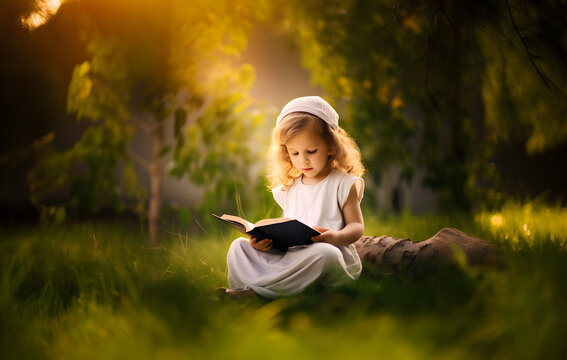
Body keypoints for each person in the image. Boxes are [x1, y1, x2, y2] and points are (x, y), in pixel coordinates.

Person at [222, 96, 365, 299]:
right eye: (294, 153)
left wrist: (335, 237)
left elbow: (356, 227)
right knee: (238, 248)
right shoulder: (290, 187)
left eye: (311, 151)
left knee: (326, 254)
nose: (303, 160)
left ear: (331, 146)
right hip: (290, 259)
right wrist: (263, 242)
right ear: (286, 153)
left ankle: (258, 295)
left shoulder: (343, 183)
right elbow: (287, 233)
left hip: (325, 257)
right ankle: (251, 292)